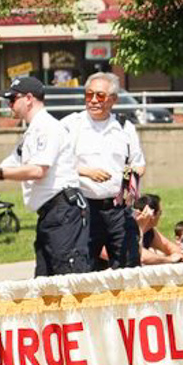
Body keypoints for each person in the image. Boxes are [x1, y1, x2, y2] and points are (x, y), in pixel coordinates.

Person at [0, 75, 87, 276]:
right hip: (51, 213)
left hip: (63, 210)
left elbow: (37, 171)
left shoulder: (48, 127)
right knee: (44, 280)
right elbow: (7, 166)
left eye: (12, 99)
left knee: (67, 278)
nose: (9, 104)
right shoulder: (32, 131)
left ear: (29, 98)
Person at [64, 71, 145, 270]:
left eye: (99, 95)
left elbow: (139, 164)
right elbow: (57, 164)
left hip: (118, 209)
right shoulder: (71, 125)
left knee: (128, 266)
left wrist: (130, 183)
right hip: (84, 208)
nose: (93, 100)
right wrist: (86, 172)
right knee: (84, 269)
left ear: (113, 99)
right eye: (88, 95)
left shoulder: (125, 127)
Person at [133, 193, 183, 264]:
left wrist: (181, 254)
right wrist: (169, 259)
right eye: (160, 213)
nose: (160, 216)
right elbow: (142, 256)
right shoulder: (129, 230)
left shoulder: (150, 231)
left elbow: (168, 246)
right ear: (152, 215)